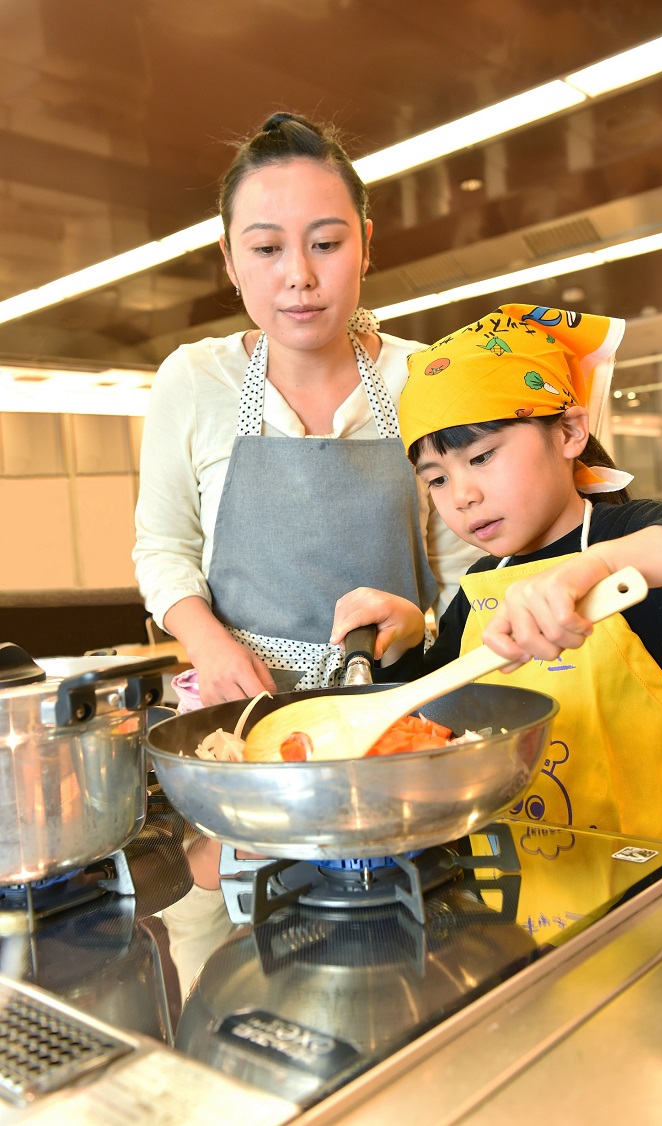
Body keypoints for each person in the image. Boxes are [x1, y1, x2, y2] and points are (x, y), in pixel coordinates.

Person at [133, 111, 479, 996]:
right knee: (226, 977)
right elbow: (162, 548)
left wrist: (419, 620)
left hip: (385, 738)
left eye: (325, 242)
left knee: (392, 971)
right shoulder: (195, 381)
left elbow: (465, 576)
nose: (298, 277)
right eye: (266, 249)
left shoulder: (422, 379)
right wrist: (208, 641)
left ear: (365, 240)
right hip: (237, 739)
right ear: (228, 258)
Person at [331, 302, 662, 849]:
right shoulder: (484, 583)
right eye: (435, 479)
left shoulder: (627, 536)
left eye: (481, 458)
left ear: (570, 432)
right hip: (519, 889)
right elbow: (433, 726)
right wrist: (408, 642)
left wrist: (600, 565)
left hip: (661, 878)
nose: (461, 496)